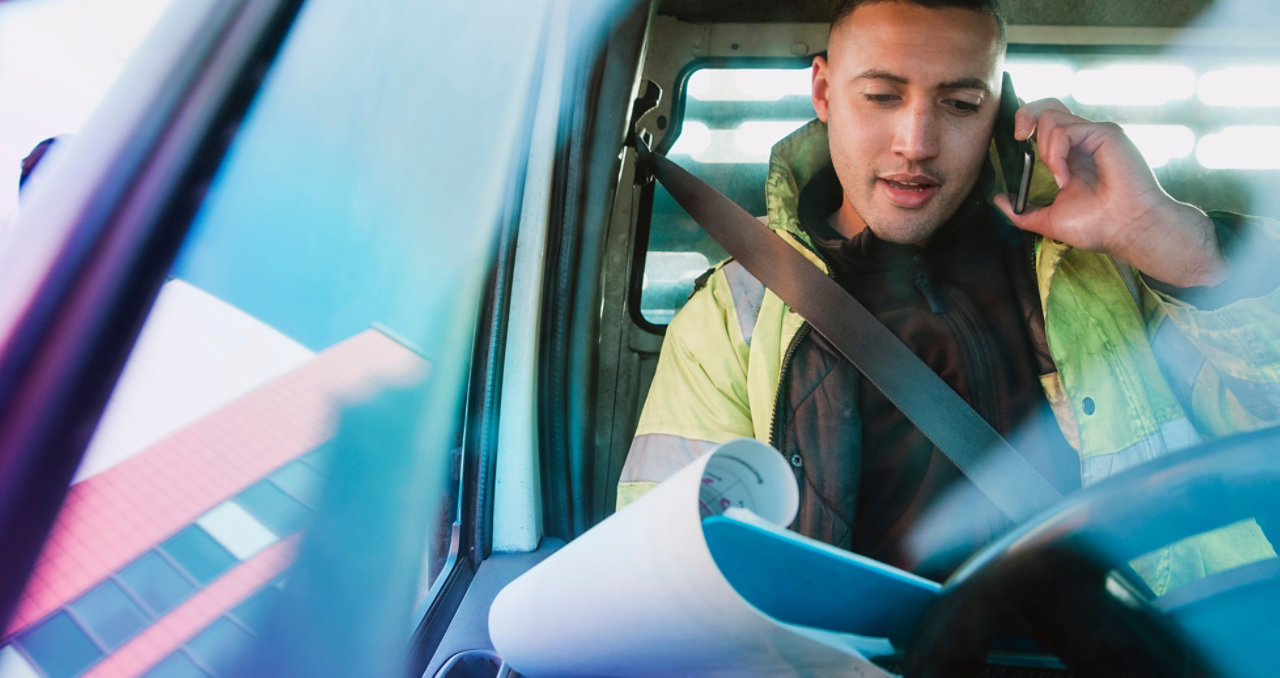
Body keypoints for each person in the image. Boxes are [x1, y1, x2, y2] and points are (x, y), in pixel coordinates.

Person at [618, 0, 1280, 589]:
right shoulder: (733, 316)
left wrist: (1180, 248)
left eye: (961, 104)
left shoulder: (1106, 270)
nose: (917, 144)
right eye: (881, 96)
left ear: (1001, 108)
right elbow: (669, 585)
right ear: (822, 90)